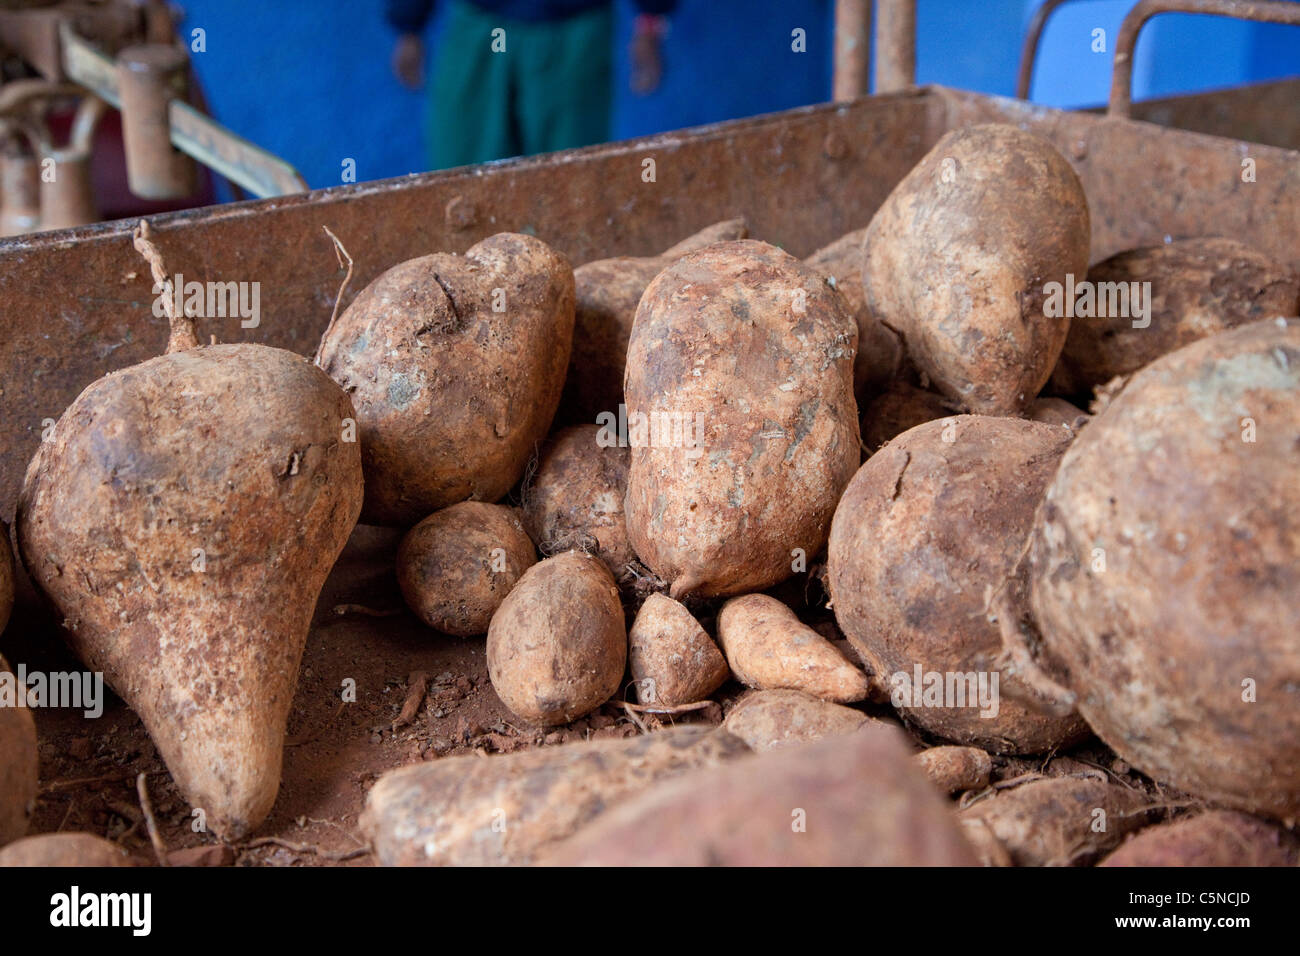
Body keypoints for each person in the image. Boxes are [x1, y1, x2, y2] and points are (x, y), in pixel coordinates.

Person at [388, 0, 675, 170]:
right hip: (478, 27)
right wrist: (409, 23)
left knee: (571, 177)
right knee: (460, 169)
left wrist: (650, 20)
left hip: (574, 33)